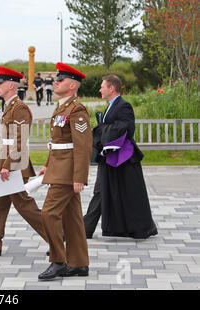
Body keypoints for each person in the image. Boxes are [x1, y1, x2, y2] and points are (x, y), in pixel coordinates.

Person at [0, 67, 49, 258]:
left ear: (12, 85)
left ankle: (58, 236)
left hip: (14, 163)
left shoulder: (20, 108)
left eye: (0, 83)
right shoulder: (10, 106)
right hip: (7, 162)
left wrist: (7, 164)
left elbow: (20, 141)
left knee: (24, 205)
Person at [83, 75, 158, 239]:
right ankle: (86, 229)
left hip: (122, 158)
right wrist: (102, 130)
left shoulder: (124, 106)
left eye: (102, 86)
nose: (100, 89)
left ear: (112, 88)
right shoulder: (112, 105)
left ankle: (140, 228)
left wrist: (102, 131)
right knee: (101, 191)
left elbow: (126, 128)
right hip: (110, 157)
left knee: (128, 192)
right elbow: (110, 127)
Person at [37, 62, 92, 280]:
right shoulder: (62, 107)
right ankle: (78, 264)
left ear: (71, 85)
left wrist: (80, 177)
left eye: (60, 80)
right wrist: (48, 165)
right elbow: (57, 141)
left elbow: (83, 146)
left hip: (67, 172)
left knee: (48, 213)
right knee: (73, 219)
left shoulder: (77, 110)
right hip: (58, 168)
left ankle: (58, 260)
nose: (56, 82)